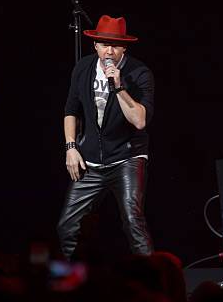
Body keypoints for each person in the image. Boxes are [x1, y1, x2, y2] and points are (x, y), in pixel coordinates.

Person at [57, 15, 155, 259]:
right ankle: (76, 286)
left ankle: (153, 282)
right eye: (103, 44)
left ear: (124, 47)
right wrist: (71, 146)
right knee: (67, 226)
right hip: (91, 160)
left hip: (127, 157)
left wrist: (119, 86)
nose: (109, 51)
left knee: (133, 221)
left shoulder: (139, 73)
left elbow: (140, 121)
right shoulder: (83, 68)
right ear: (95, 45)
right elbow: (71, 111)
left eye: (114, 45)